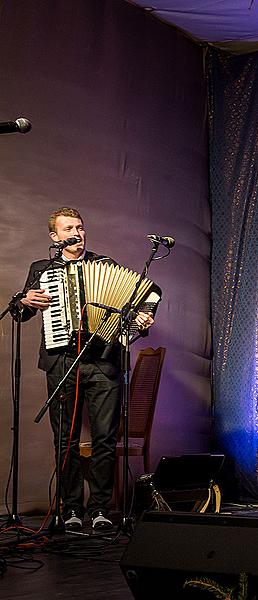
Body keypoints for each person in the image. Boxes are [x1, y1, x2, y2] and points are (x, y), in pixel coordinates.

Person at [18, 207, 156, 531]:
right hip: (61, 363)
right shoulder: (42, 269)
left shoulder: (104, 265)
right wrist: (25, 302)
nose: (76, 232)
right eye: (68, 228)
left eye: (79, 227)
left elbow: (135, 305)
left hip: (102, 363)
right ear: (55, 237)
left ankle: (99, 509)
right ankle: (71, 510)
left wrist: (142, 320)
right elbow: (22, 313)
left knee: (104, 439)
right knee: (64, 440)